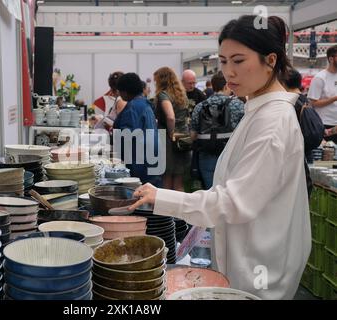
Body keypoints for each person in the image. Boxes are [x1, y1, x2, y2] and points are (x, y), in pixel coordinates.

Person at [129, 15, 310, 300]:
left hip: (259, 274)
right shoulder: (257, 111)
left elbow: (233, 202)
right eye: (223, 61)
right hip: (244, 263)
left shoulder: (273, 121)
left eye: (238, 61)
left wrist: (160, 197)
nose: (229, 72)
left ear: (271, 60)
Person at [190, 71, 245, 189]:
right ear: (226, 86)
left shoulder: (200, 106)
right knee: (229, 193)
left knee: (210, 192)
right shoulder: (237, 105)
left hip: (206, 154)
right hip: (230, 156)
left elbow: (193, 135)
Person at [113, 73, 162, 187]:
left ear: (125, 91)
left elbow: (127, 135)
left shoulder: (133, 107)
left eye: (119, 91)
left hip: (140, 161)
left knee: (140, 195)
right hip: (152, 158)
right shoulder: (145, 103)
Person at [282, 67, 324, 197]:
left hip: (293, 158)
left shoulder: (289, 103)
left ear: (283, 83)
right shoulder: (305, 101)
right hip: (306, 155)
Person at [153, 67, 189, 191]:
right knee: (179, 180)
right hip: (183, 138)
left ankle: (165, 210)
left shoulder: (164, 95)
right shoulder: (181, 94)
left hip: (169, 140)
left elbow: (170, 117)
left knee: (167, 178)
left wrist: (171, 132)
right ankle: (180, 209)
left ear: (161, 80)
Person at [308, 45, 337, 144]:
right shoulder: (320, 78)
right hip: (324, 125)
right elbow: (314, 103)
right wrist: (334, 98)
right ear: (331, 59)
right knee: (326, 156)